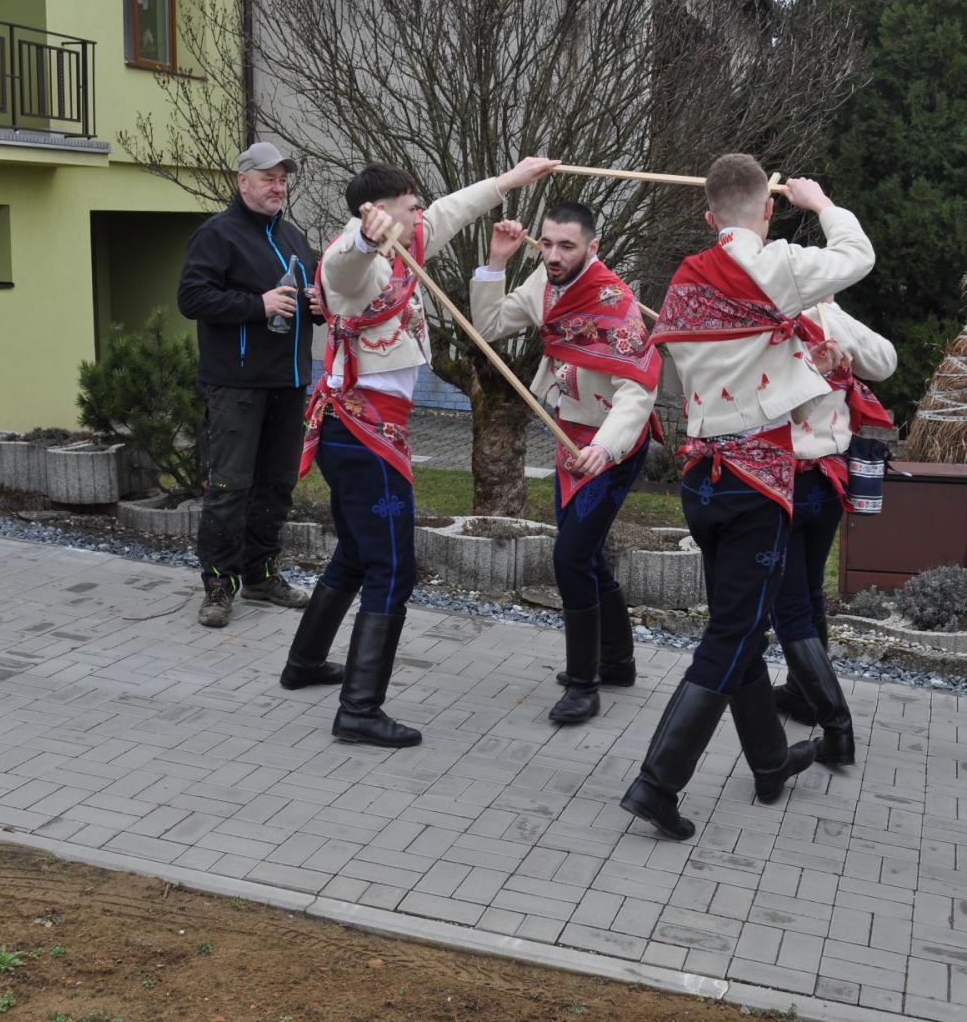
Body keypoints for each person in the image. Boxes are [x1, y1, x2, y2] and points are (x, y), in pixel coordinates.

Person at [623, 153, 875, 840]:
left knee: (739, 621)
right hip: (756, 480)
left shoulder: (687, 279)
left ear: (709, 217)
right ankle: (657, 783)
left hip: (701, 479)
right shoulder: (782, 268)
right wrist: (820, 202)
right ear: (768, 208)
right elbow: (857, 254)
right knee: (732, 635)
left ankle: (769, 761)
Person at [281, 156, 558, 747]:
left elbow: (452, 211)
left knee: (357, 555)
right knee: (392, 568)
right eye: (411, 206)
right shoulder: (354, 264)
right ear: (381, 211)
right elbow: (342, 261)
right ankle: (358, 708)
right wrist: (364, 233)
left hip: (368, 431)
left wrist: (511, 180)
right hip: (361, 435)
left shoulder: (407, 240)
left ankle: (304, 662)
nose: (421, 213)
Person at [470, 203, 662, 725]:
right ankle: (618, 662)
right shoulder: (543, 282)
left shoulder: (614, 303)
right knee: (587, 554)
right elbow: (486, 327)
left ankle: (584, 685)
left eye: (567, 246)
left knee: (571, 557)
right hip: (566, 439)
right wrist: (495, 262)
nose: (553, 256)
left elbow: (639, 391)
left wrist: (606, 447)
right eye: (548, 244)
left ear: (592, 248)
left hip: (610, 448)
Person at [177, 142, 319, 629]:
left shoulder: (296, 237)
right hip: (235, 384)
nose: (278, 187)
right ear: (243, 181)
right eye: (268, 179)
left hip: (290, 379)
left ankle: (261, 574)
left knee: (277, 485)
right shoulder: (217, 235)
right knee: (229, 487)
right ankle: (218, 584)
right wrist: (256, 307)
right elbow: (192, 298)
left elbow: (311, 296)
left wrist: (317, 304)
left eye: (283, 180)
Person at [769, 296, 897, 766]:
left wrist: (831, 317)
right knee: (807, 595)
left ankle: (836, 727)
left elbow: (884, 362)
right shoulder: (819, 315)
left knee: (790, 607)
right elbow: (883, 361)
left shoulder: (789, 316)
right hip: (825, 481)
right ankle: (802, 693)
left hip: (783, 480)